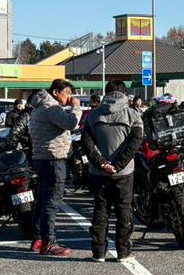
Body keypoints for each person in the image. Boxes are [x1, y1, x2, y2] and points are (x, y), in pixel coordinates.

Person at [79, 81, 144, 261]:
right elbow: (135, 142)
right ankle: (124, 252)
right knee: (124, 210)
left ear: (106, 92)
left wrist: (102, 163)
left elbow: (87, 143)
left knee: (101, 210)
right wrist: (118, 164)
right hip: (124, 173)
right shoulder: (133, 114)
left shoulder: (93, 115)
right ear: (125, 93)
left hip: (99, 172)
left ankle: (98, 252)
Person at [28, 80, 84, 257]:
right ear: (55, 92)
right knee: (52, 201)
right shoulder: (51, 107)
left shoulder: (40, 105)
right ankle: (48, 242)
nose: (69, 97)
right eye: (67, 93)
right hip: (53, 158)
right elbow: (71, 123)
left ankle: (38, 238)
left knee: (43, 199)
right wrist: (77, 107)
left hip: (41, 157)